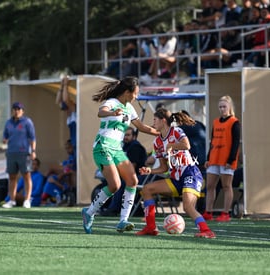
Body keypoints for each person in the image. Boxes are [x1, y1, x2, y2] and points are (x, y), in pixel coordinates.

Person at [81, 76, 159, 234]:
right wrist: (111, 112)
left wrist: (160, 133)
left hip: (117, 148)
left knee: (132, 180)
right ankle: (89, 213)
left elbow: (141, 127)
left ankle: (123, 221)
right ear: (126, 92)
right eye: (135, 93)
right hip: (103, 146)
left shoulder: (129, 108)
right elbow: (100, 112)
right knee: (115, 185)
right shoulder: (112, 103)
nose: (136, 96)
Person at [136, 108, 216, 238]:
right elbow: (163, 168)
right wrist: (150, 170)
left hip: (191, 174)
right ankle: (150, 227)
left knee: (187, 207)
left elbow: (187, 145)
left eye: (155, 120)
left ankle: (206, 230)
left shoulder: (176, 131)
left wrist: (171, 146)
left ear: (163, 121)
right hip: (175, 178)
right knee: (146, 189)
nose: (153, 123)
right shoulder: (156, 142)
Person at [203, 95, 241, 222]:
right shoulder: (215, 122)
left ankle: (225, 213)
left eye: (224, 106)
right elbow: (212, 141)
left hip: (226, 160)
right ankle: (208, 211)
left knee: (226, 186)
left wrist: (231, 160)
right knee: (210, 186)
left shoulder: (234, 122)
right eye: (220, 107)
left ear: (229, 107)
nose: (222, 109)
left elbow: (236, 143)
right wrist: (208, 158)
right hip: (214, 158)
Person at [100, 127, 148, 215]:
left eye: (128, 135)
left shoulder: (135, 147)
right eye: (124, 135)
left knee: (120, 183)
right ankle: (104, 207)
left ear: (134, 136)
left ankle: (114, 209)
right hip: (127, 174)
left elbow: (132, 167)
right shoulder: (124, 146)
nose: (125, 137)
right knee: (107, 182)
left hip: (137, 176)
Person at [2, 102, 37, 209]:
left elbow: (33, 138)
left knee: (26, 176)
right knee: (12, 177)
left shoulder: (27, 122)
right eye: (15, 109)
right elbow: (5, 136)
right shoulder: (8, 123)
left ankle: (27, 200)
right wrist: (4, 140)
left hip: (24, 153)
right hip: (11, 153)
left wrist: (33, 151)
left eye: (19, 109)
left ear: (22, 111)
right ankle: (12, 200)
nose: (16, 111)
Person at [41, 140, 76, 206]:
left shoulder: (75, 157)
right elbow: (64, 167)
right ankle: (45, 195)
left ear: (73, 147)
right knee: (51, 175)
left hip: (69, 176)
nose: (67, 150)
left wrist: (62, 173)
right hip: (64, 175)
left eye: (69, 148)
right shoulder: (69, 157)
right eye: (66, 148)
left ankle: (44, 198)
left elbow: (71, 170)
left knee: (52, 177)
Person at [56, 76, 77, 149]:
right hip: (74, 144)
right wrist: (61, 86)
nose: (66, 111)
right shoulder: (70, 117)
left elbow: (65, 100)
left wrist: (65, 85)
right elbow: (58, 102)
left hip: (78, 144)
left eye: (66, 108)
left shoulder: (76, 112)